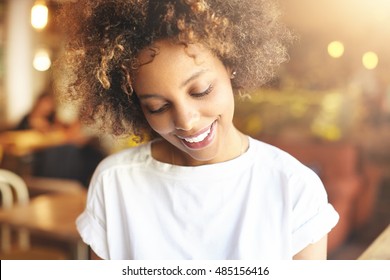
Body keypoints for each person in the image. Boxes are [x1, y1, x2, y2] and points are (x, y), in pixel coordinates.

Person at [56, 0, 339, 260]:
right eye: (157, 107)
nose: (187, 122)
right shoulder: (115, 182)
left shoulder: (294, 188)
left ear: (229, 64)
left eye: (201, 91)